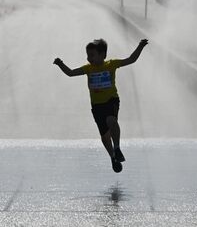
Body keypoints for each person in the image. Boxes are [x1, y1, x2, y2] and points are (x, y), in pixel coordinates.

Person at [53, 38, 148, 173]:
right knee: (104, 137)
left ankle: (117, 147)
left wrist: (140, 46)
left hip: (111, 100)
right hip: (97, 106)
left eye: (92, 55)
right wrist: (60, 64)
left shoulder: (111, 64)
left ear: (103, 55)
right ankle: (113, 157)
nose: (89, 58)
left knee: (111, 121)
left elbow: (131, 59)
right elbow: (70, 73)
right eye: (87, 55)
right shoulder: (88, 69)